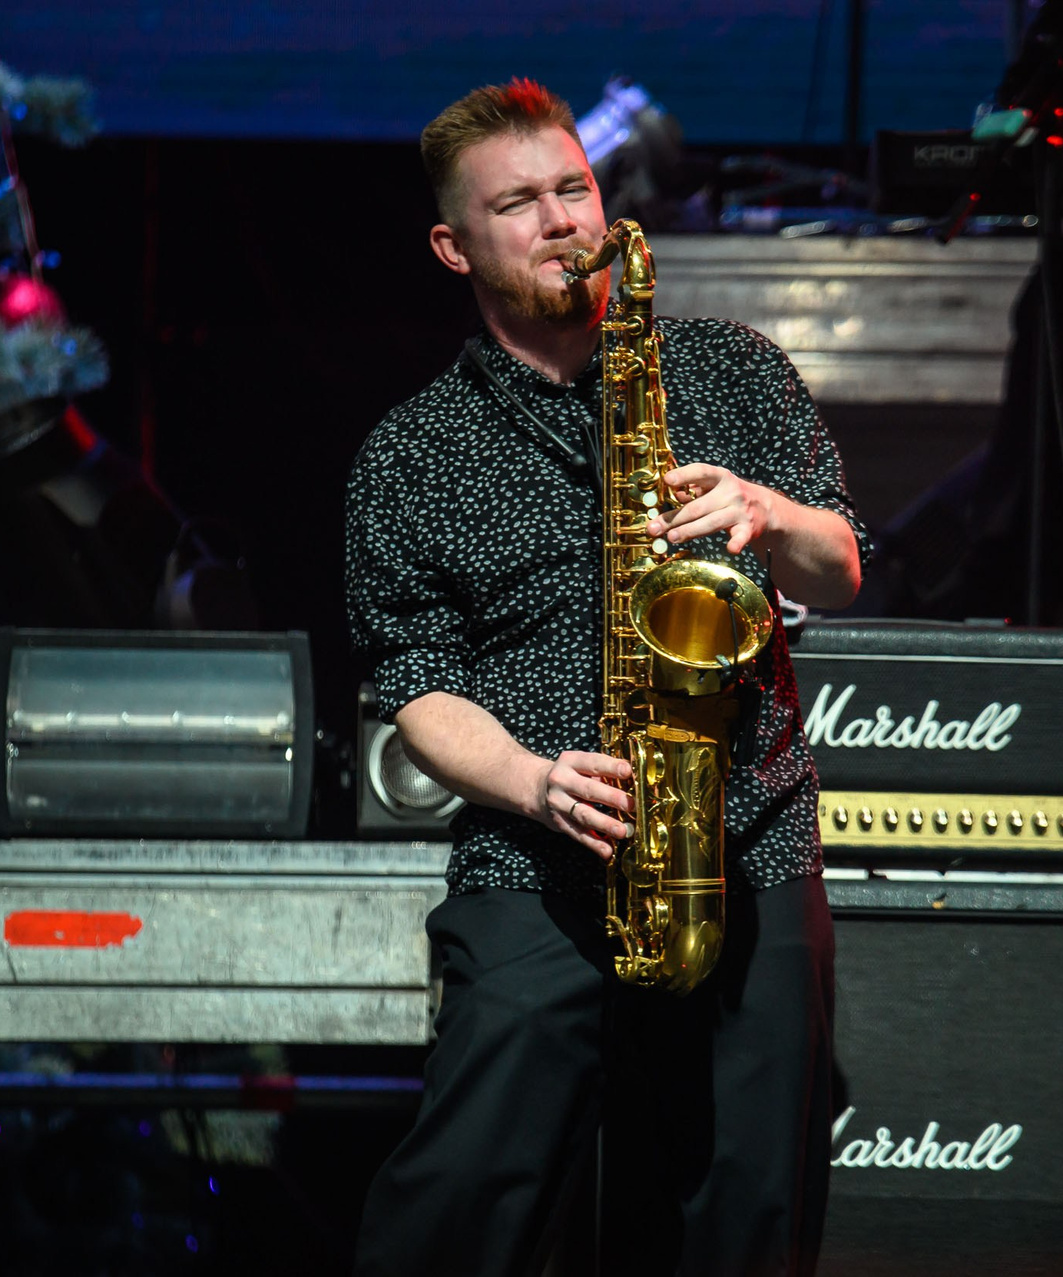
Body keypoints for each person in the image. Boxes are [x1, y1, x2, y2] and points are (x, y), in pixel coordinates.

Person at [344, 78, 869, 1277]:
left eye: (572, 189)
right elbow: (416, 682)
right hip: (534, 861)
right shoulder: (411, 453)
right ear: (454, 246)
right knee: (456, 1211)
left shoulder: (730, 369)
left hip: (747, 844)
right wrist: (535, 783)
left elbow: (840, 564)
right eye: (518, 204)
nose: (562, 222)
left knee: (746, 1218)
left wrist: (766, 507)